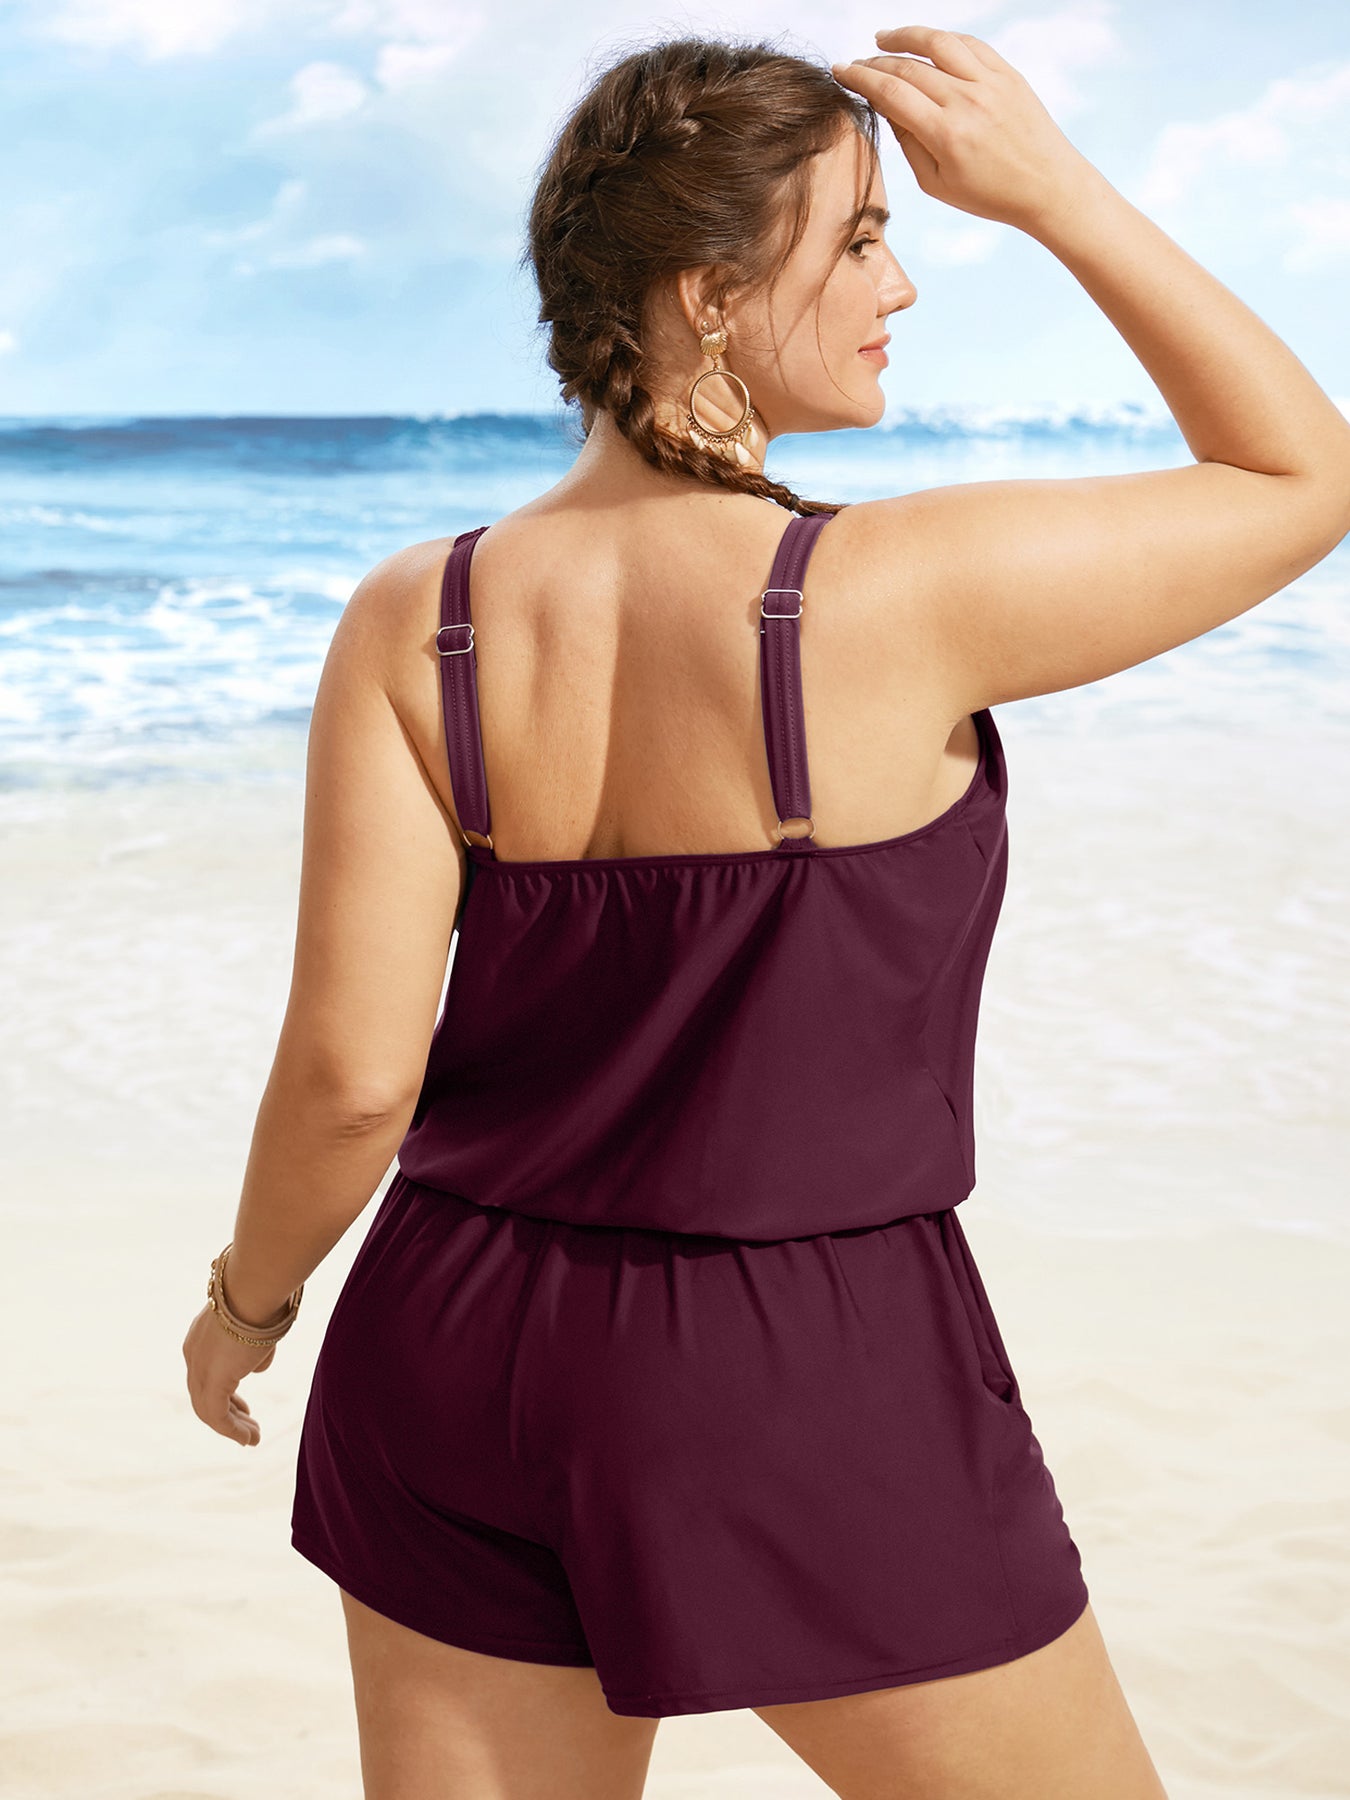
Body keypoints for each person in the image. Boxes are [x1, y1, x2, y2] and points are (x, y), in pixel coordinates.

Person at [182, 25, 1350, 1800]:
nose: (901, 283)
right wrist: (1056, 196)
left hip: (445, 1338)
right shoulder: (898, 592)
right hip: (795, 1360)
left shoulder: (417, 619)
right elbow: (1298, 476)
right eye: (861, 237)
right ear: (708, 294)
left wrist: (248, 1307)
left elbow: (352, 1078)